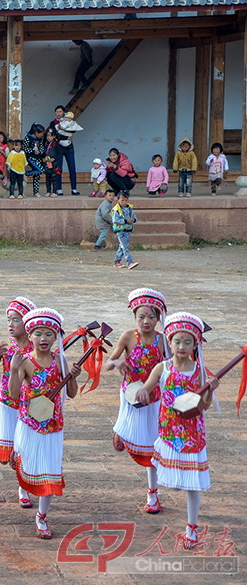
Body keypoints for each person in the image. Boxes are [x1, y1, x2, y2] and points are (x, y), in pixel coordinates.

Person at [136, 312, 219, 549]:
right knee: (163, 472)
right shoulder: (162, 368)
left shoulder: (200, 371)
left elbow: (203, 406)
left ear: (195, 344)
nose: (181, 346)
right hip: (169, 431)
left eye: (187, 341)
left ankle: (191, 528)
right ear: (169, 342)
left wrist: (210, 391)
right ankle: (153, 494)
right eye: (177, 341)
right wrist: (143, 392)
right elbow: (146, 389)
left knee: (193, 484)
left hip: (192, 434)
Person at [9, 308, 82, 539]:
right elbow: (13, 394)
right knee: (27, 463)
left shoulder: (61, 361)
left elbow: (70, 394)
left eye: (49, 334)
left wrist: (72, 376)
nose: (43, 339)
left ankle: (41, 516)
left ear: (56, 336)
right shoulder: (25, 362)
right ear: (30, 336)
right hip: (29, 423)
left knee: (50, 470)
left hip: (53, 426)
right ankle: (23, 488)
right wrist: (13, 370)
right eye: (38, 333)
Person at [105, 289, 168, 514]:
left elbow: (170, 368)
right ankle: (121, 430)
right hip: (130, 393)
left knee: (152, 445)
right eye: (141, 316)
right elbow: (108, 363)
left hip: (153, 398)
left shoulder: (163, 340)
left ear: (158, 319)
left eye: (151, 317)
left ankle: (153, 494)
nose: (146, 321)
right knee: (128, 426)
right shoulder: (128, 337)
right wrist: (119, 362)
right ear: (134, 317)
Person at [0, 297, 37, 507]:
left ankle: (23, 488)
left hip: (27, 406)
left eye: (16, 320)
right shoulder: (5, 347)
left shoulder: (35, 350)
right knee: (11, 452)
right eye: (9, 319)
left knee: (23, 447)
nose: (10, 324)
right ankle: (21, 480)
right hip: (6, 404)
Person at [47, 107, 81, 195]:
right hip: (58, 147)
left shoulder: (70, 122)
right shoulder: (53, 123)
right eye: (57, 112)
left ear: (64, 112)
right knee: (58, 168)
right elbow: (54, 135)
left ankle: (74, 188)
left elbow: (74, 130)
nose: (59, 113)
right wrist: (64, 136)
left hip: (69, 146)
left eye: (60, 111)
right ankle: (59, 188)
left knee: (72, 167)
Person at [112, 193, 138, 269]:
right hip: (120, 230)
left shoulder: (130, 208)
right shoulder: (116, 209)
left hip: (128, 229)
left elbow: (134, 216)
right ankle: (129, 262)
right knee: (125, 247)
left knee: (122, 246)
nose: (124, 202)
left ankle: (117, 261)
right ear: (118, 200)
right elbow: (115, 220)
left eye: (125, 200)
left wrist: (133, 220)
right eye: (122, 200)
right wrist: (125, 221)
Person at [22, 124, 46, 197]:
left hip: (38, 158)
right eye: (40, 133)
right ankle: (26, 173)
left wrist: (40, 151)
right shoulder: (28, 138)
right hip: (30, 158)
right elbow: (24, 149)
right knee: (40, 170)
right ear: (35, 132)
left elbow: (42, 147)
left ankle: (36, 192)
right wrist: (33, 151)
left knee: (37, 176)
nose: (42, 135)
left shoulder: (40, 139)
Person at [43, 130, 61, 197]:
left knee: (54, 178)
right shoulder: (45, 144)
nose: (48, 137)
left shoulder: (56, 144)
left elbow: (59, 154)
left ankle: (54, 191)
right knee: (48, 178)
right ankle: (48, 191)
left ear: (54, 136)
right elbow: (44, 153)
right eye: (47, 135)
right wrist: (43, 159)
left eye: (50, 136)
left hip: (54, 164)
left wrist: (54, 158)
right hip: (47, 163)